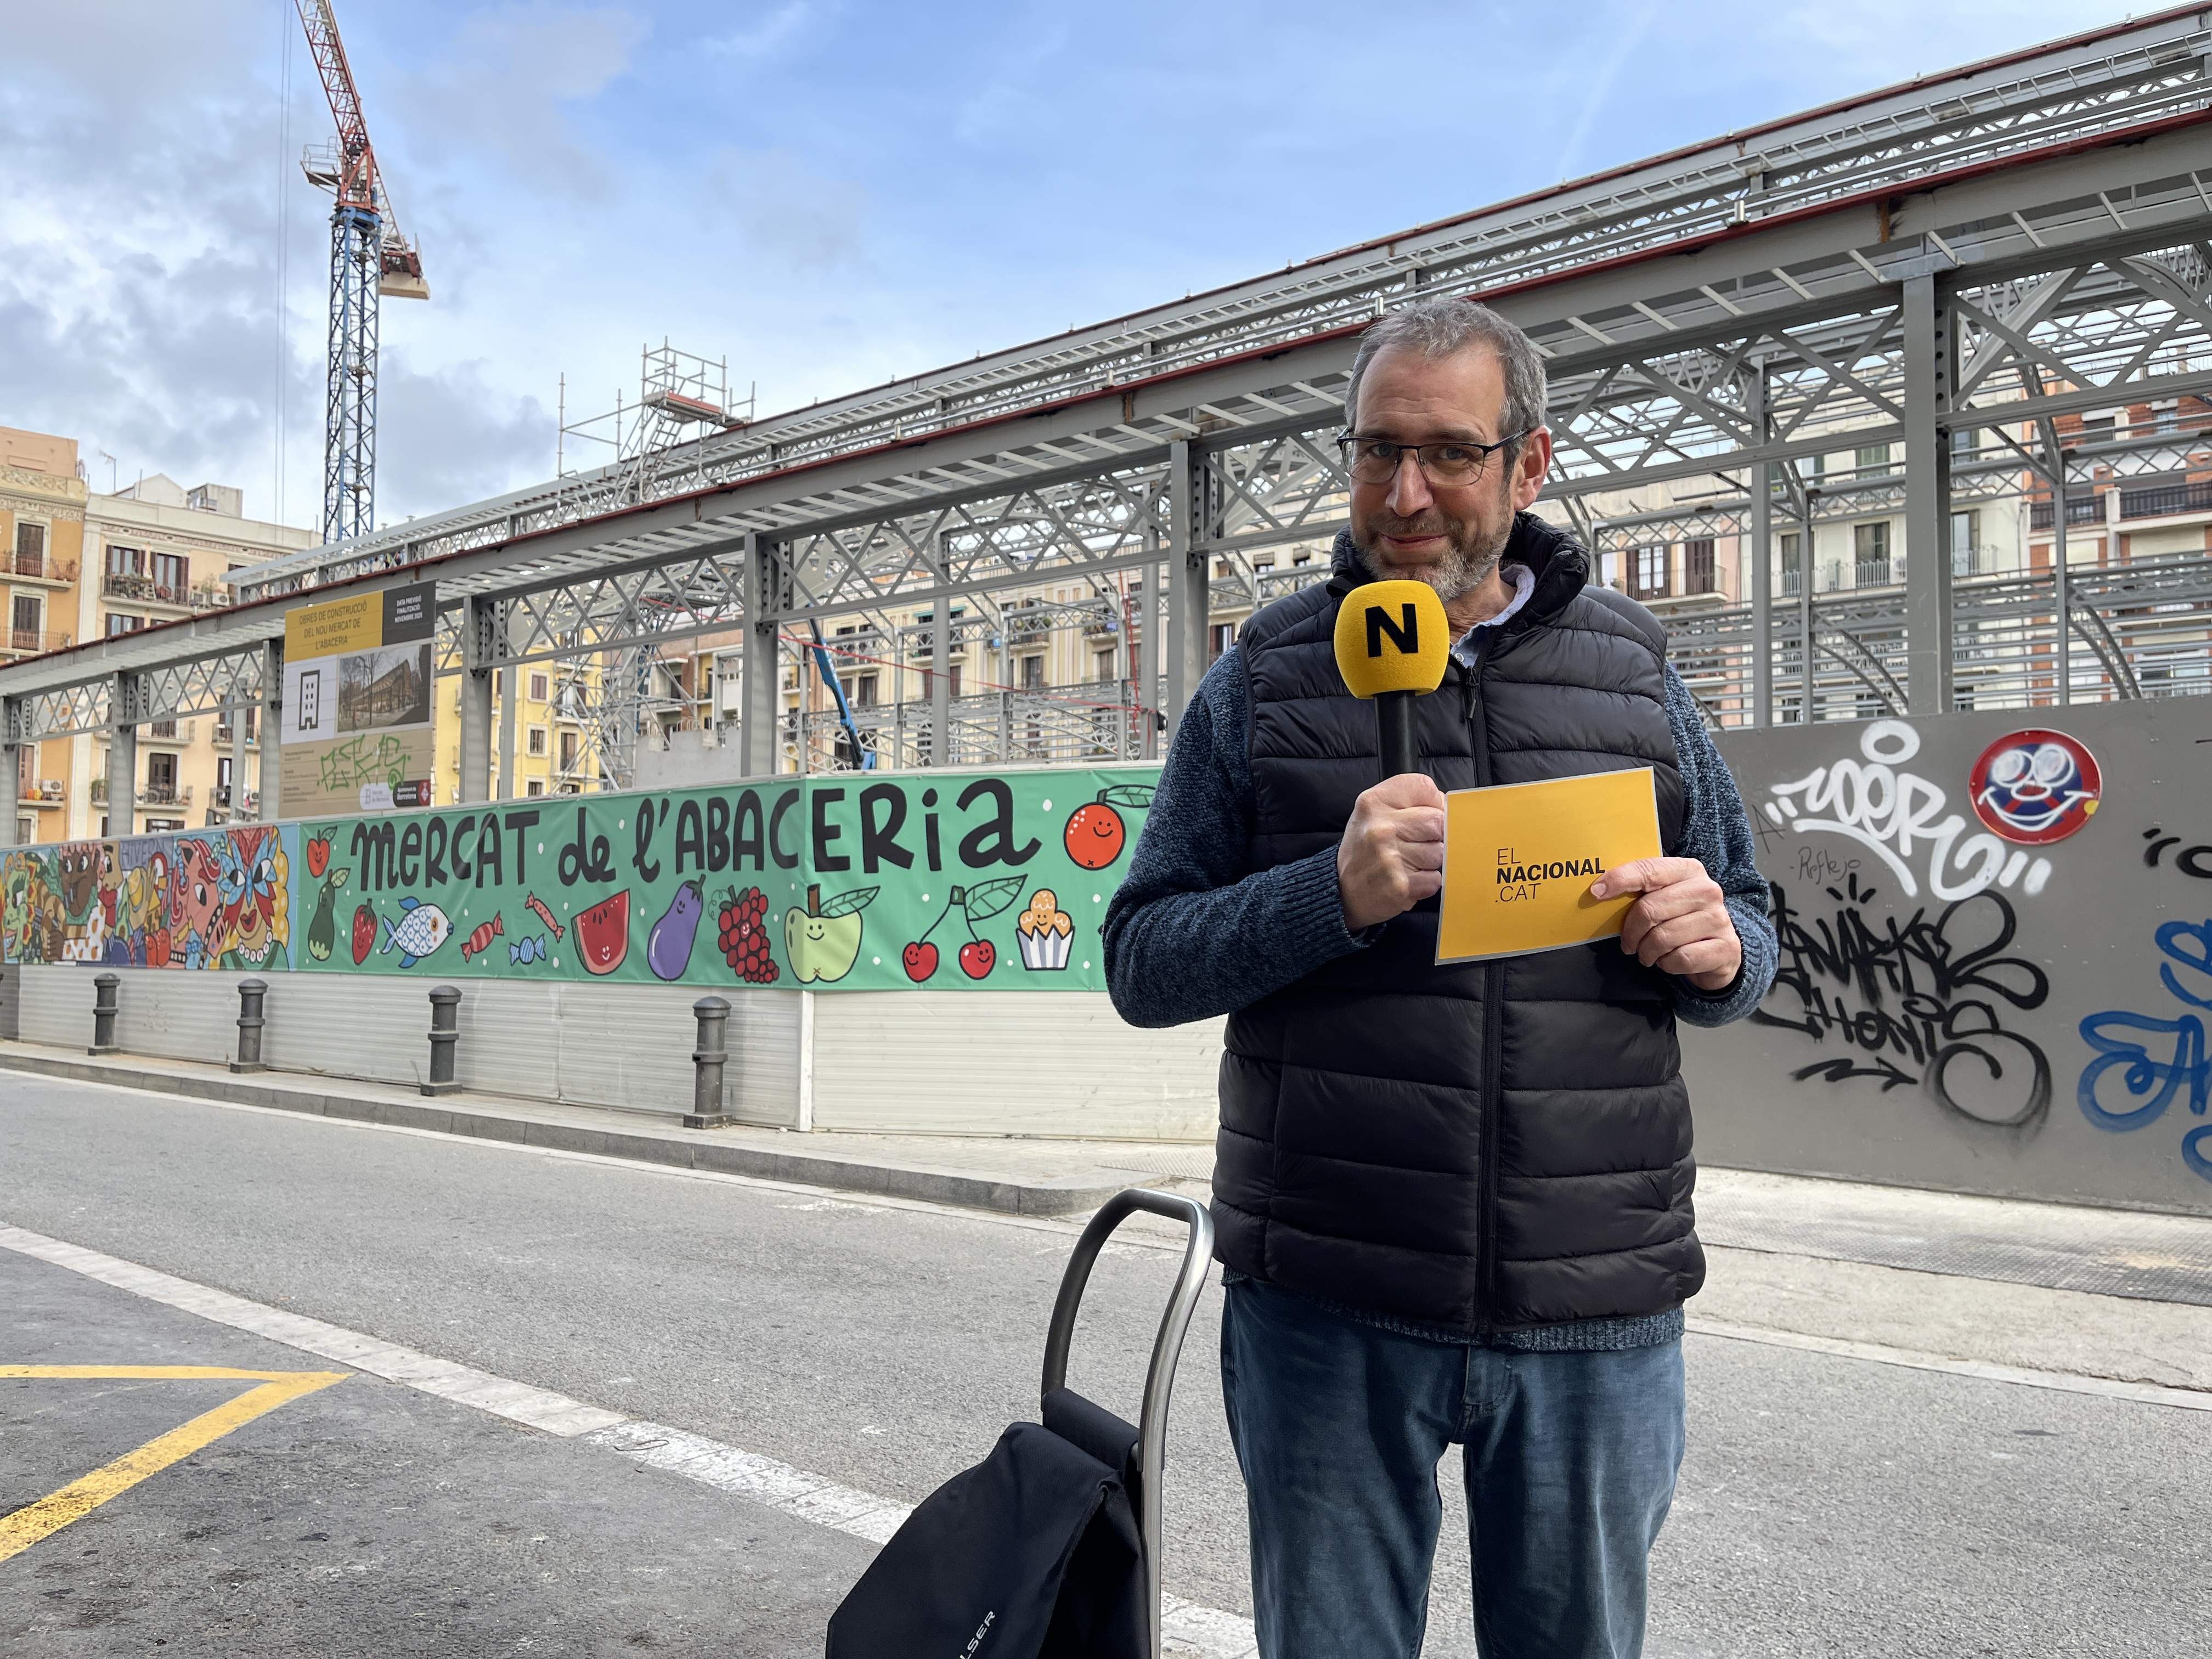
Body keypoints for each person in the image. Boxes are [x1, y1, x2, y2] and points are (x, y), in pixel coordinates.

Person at [1102, 296, 1778, 1659]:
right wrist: (1323, 898)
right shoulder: (1263, 677)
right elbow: (1143, 958)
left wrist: (1720, 954)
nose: (1404, 491)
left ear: (1527, 466)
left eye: (1450, 452)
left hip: (1593, 1302)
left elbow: (1747, 927)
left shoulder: (1639, 674)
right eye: (1376, 449)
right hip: (1327, 1305)